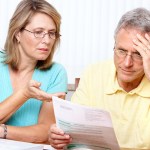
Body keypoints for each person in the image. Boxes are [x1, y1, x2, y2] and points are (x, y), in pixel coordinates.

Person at [49, 7, 150, 150]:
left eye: (138, 54)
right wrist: (61, 137)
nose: (127, 63)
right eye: (121, 51)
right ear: (114, 46)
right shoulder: (94, 73)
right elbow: (73, 135)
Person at [0, 0, 67, 144]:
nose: (47, 40)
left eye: (51, 33)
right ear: (18, 33)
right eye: (38, 32)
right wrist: (24, 94)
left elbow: (45, 132)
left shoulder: (56, 72)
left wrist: (3, 131)